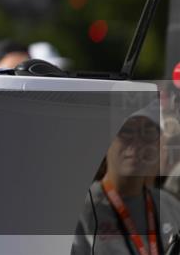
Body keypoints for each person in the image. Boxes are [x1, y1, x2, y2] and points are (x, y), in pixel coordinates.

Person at [72, 107, 180, 254]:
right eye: (126, 131)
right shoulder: (80, 212)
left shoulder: (171, 207)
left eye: (148, 132)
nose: (137, 143)